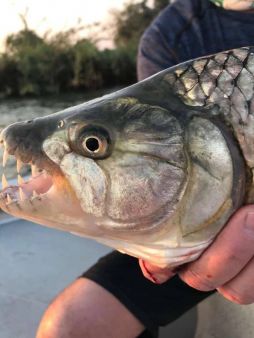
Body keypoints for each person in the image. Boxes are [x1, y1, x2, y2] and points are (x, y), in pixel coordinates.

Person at [36, 1, 254, 337]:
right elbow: (148, 168)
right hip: (191, 234)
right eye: (94, 144)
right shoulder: (170, 35)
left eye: (93, 144)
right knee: (68, 327)